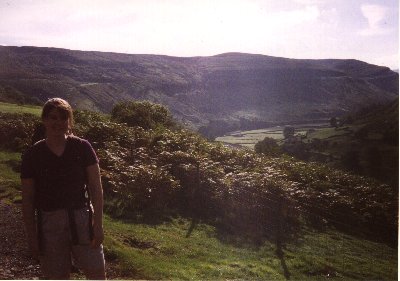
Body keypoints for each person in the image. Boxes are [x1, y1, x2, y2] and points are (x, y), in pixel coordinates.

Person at [21, 98, 106, 279]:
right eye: (53, 117)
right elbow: (28, 199)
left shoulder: (83, 147)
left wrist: (98, 225)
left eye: (63, 118)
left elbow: (96, 188)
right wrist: (31, 236)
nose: (58, 123)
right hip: (49, 224)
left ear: (70, 121)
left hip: (82, 220)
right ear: (44, 120)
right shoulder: (32, 155)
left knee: (97, 274)